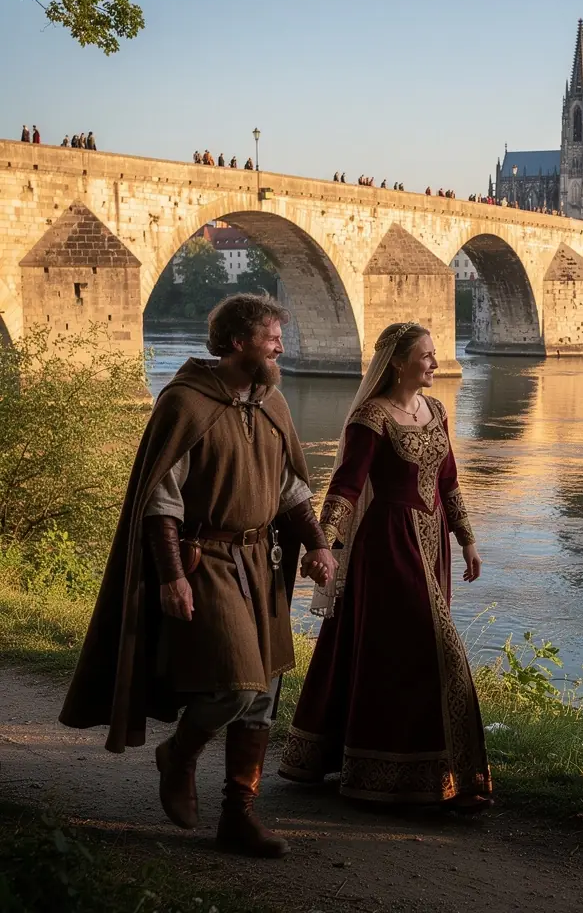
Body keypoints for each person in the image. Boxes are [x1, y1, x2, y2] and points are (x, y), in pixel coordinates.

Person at [60, 295, 338, 858]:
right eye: (271, 336)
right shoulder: (185, 403)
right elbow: (162, 498)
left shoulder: (272, 402)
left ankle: (239, 815)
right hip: (204, 560)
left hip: (262, 563)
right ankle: (179, 754)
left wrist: (316, 543)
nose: (281, 345)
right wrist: (170, 576)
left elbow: (291, 489)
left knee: (263, 694)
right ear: (238, 342)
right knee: (236, 684)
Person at [279, 322, 492, 811]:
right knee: (431, 647)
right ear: (397, 362)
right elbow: (346, 487)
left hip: (433, 542)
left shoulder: (435, 410)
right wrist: (325, 545)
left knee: (408, 654)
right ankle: (417, 774)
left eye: (436, 354)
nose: (436, 363)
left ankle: (432, 776)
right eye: (427, 355)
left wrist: (468, 539)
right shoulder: (371, 418)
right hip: (388, 545)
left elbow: (450, 482)